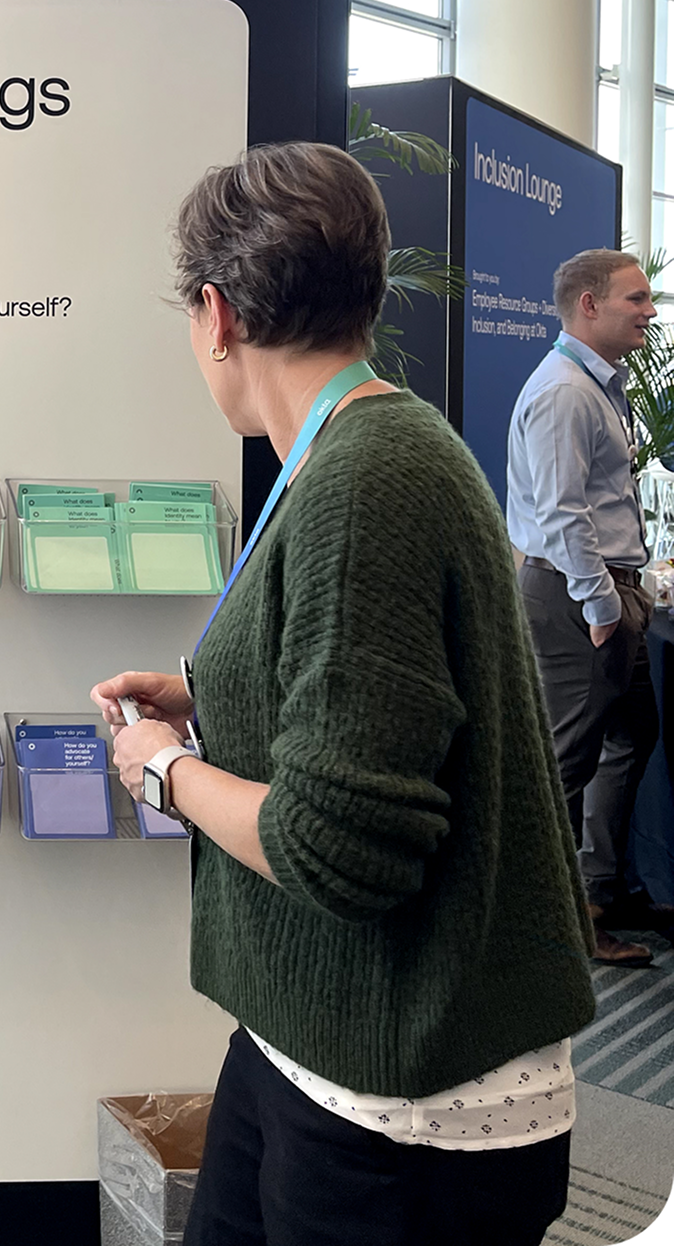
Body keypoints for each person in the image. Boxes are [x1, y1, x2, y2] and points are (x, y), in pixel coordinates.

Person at [93, 142, 594, 1246]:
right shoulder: (351, 454)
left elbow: (338, 849)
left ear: (216, 315)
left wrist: (163, 770)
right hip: (310, 1042)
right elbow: (376, 703)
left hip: (403, 1102)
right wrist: (206, 697)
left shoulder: (369, 483)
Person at [507, 248, 665, 967]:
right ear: (589, 305)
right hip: (579, 595)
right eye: (637, 299)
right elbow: (562, 515)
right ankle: (555, 924)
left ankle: (602, 891)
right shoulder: (565, 392)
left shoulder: (598, 385)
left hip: (604, 591)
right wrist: (603, 607)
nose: (650, 312)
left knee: (632, 735)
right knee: (565, 764)